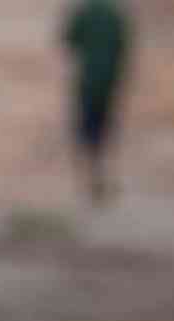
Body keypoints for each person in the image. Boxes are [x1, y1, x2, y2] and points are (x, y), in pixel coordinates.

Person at [62, 0, 131, 204]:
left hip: (87, 78)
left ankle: (88, 173)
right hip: (110, 79)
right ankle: (103, 171)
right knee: (105, 125)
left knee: (86, 126)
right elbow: (124, 48)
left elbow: (69, 40)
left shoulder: (84, 12)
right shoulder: (115, 14)